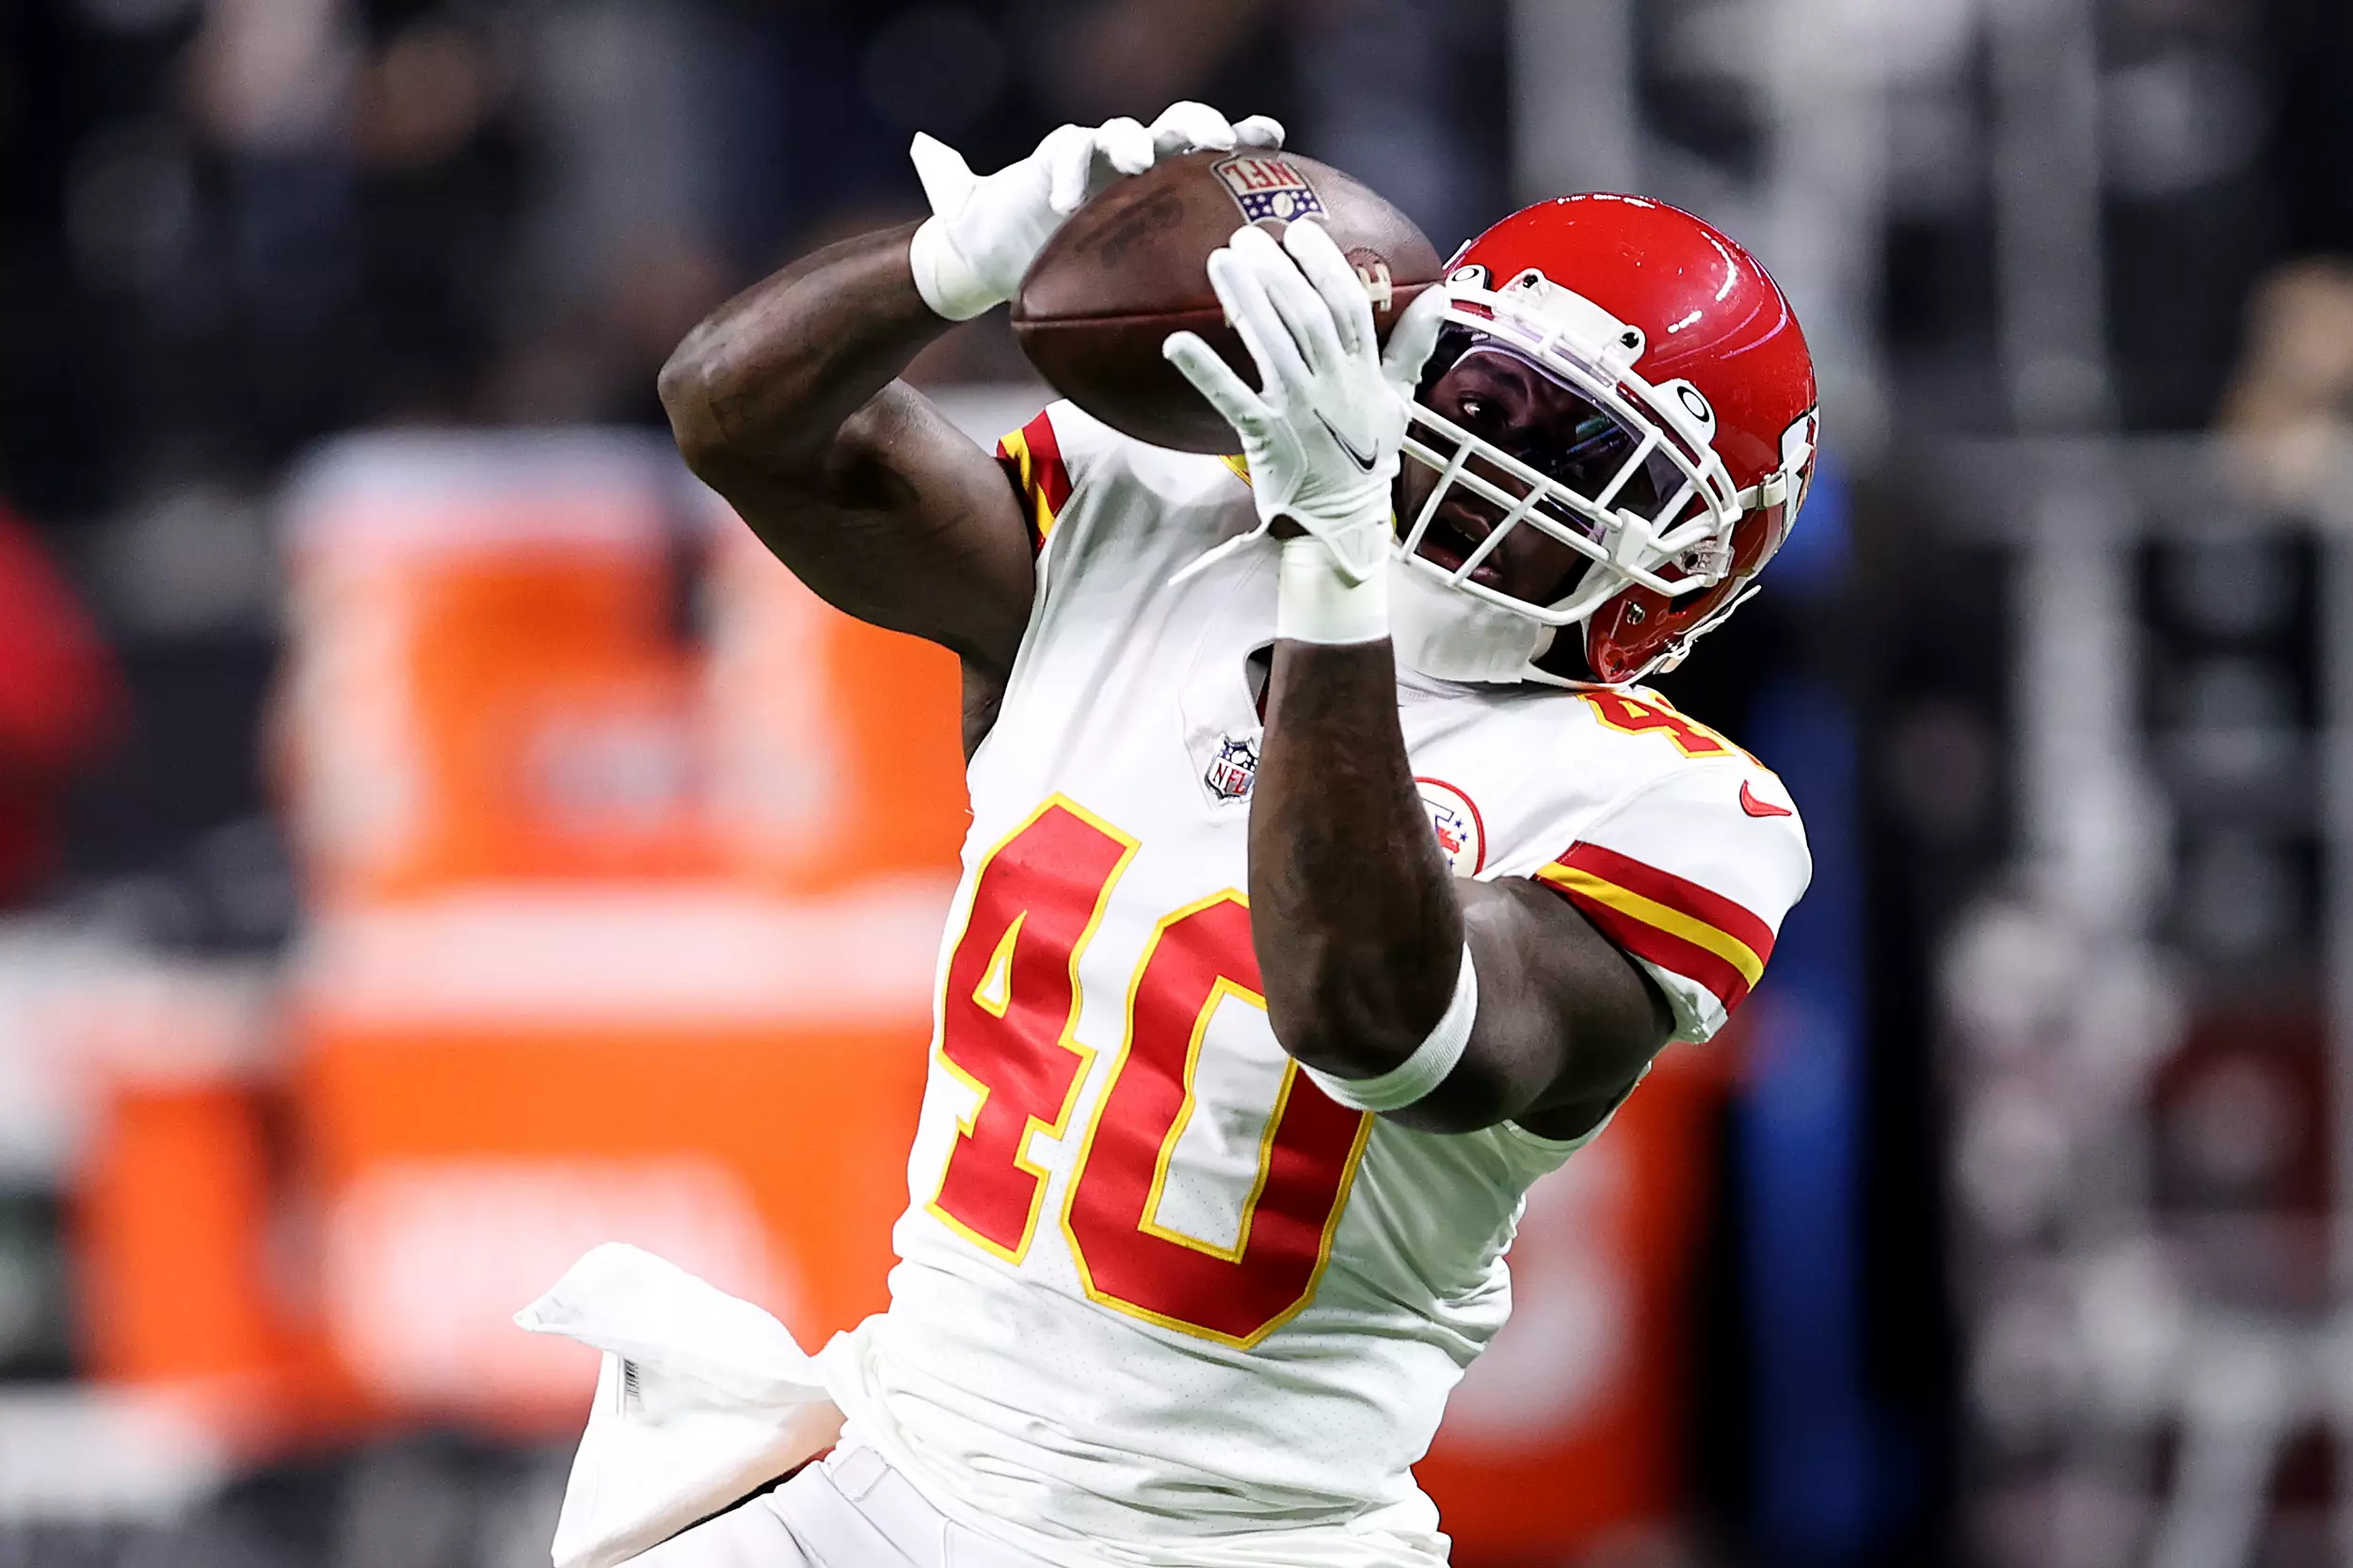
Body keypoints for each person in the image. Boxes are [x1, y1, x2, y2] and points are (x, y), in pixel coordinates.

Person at [636, 102, 1819, 1568]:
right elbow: (732, 416)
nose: (1497, 456)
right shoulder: (1152, 529)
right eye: (1481, 390)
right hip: (903, 1453)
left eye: (1578, 444)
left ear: (1694, 553)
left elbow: (1381, 1024)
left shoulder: (1678, 809)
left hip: (1240, 1536)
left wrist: (1331, 558)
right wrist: (951, 268)